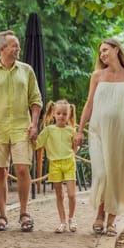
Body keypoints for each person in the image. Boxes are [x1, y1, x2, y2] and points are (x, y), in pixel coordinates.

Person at [73, 38, 124, 237]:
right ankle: (100, 212)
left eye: (105, 50)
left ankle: (110, 219)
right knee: (102, 174)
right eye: (100, 52)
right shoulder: (97, 75)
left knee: (116, 176)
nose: (102, 54)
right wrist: (79, 130)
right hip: (98, 132)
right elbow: (88, 104)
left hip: (121, 134)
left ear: (116, 50)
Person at [0, 30, 43, 232]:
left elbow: (36, 100)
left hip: (22, 127)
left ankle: (24, 213)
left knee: (22, 168)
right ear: (2, 48)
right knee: (0, 171)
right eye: (14, 45)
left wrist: (34, 123)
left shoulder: (27, 70)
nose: (18, 48)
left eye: (18, 45)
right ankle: (2, 215)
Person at [34, 100, 79, 233]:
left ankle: (72, 218)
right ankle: (62, 221)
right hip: (54, 164)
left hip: (69, 163)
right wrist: (30, 137)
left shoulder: (71, 131)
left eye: (64, 114)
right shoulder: (48, 130)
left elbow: (74, 149)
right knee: (59, 195)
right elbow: (37, 144)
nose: (61, 116)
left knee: (71, 195)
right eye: (58, 113)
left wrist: (76, 144)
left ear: (69, 115)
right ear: (53, 114)